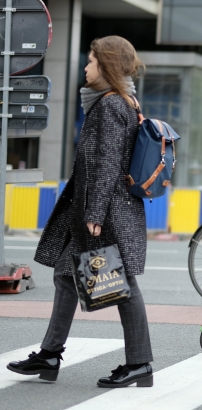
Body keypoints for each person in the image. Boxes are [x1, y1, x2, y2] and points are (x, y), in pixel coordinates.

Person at [7, 36, 154, 388]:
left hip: (104, 212)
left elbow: (106, 164)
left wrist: (96, 214)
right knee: (64, 274)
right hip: (96, 209)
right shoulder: (119, 102)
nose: (85, 67)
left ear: (106, 66)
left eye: (90, 61)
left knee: (122, 286)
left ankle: (139, 363)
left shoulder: (111, 105)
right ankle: (49, 354)